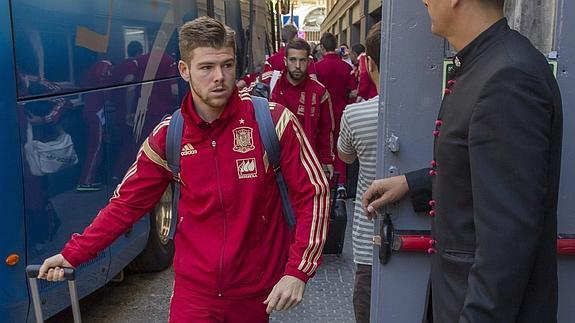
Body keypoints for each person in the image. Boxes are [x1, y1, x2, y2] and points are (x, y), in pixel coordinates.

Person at [37, 16, 330, 323]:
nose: (220, 77)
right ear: (184, 71)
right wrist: (73, 253)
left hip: (253, 295)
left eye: (227, 65)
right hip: (194, 296)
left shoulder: (273, 122)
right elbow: (126, 205)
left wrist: (298, 270)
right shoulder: (169, 135)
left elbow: (314, 193)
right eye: (206, 67)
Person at [362, 1, 562, 322]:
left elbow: (506, 248)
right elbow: (483, 174)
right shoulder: (488, 64)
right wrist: (411, 184)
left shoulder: (507, 77)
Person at [337, 23, 381, 323]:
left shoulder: (355, 115)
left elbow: (345, 155)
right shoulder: (445, 110)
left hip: (369, 243)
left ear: (367, 63)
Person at [259, 38, 335, 179]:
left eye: (302, 60)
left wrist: (327, 159)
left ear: (309, 62)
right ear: (285, 61)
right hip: (272, 163)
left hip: (305, 163)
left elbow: (326, 128)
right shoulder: (270, 83)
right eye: (293, 60)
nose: (298, 65)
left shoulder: (319, 92)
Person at [315, 32, 355, 194]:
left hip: (323, 113)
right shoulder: (346, 67)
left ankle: (326, 180)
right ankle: (341, 183)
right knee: (341, 148)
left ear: (323, 47)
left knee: (325, 146)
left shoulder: (317, 67)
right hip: (342, 112)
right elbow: (353, 92)